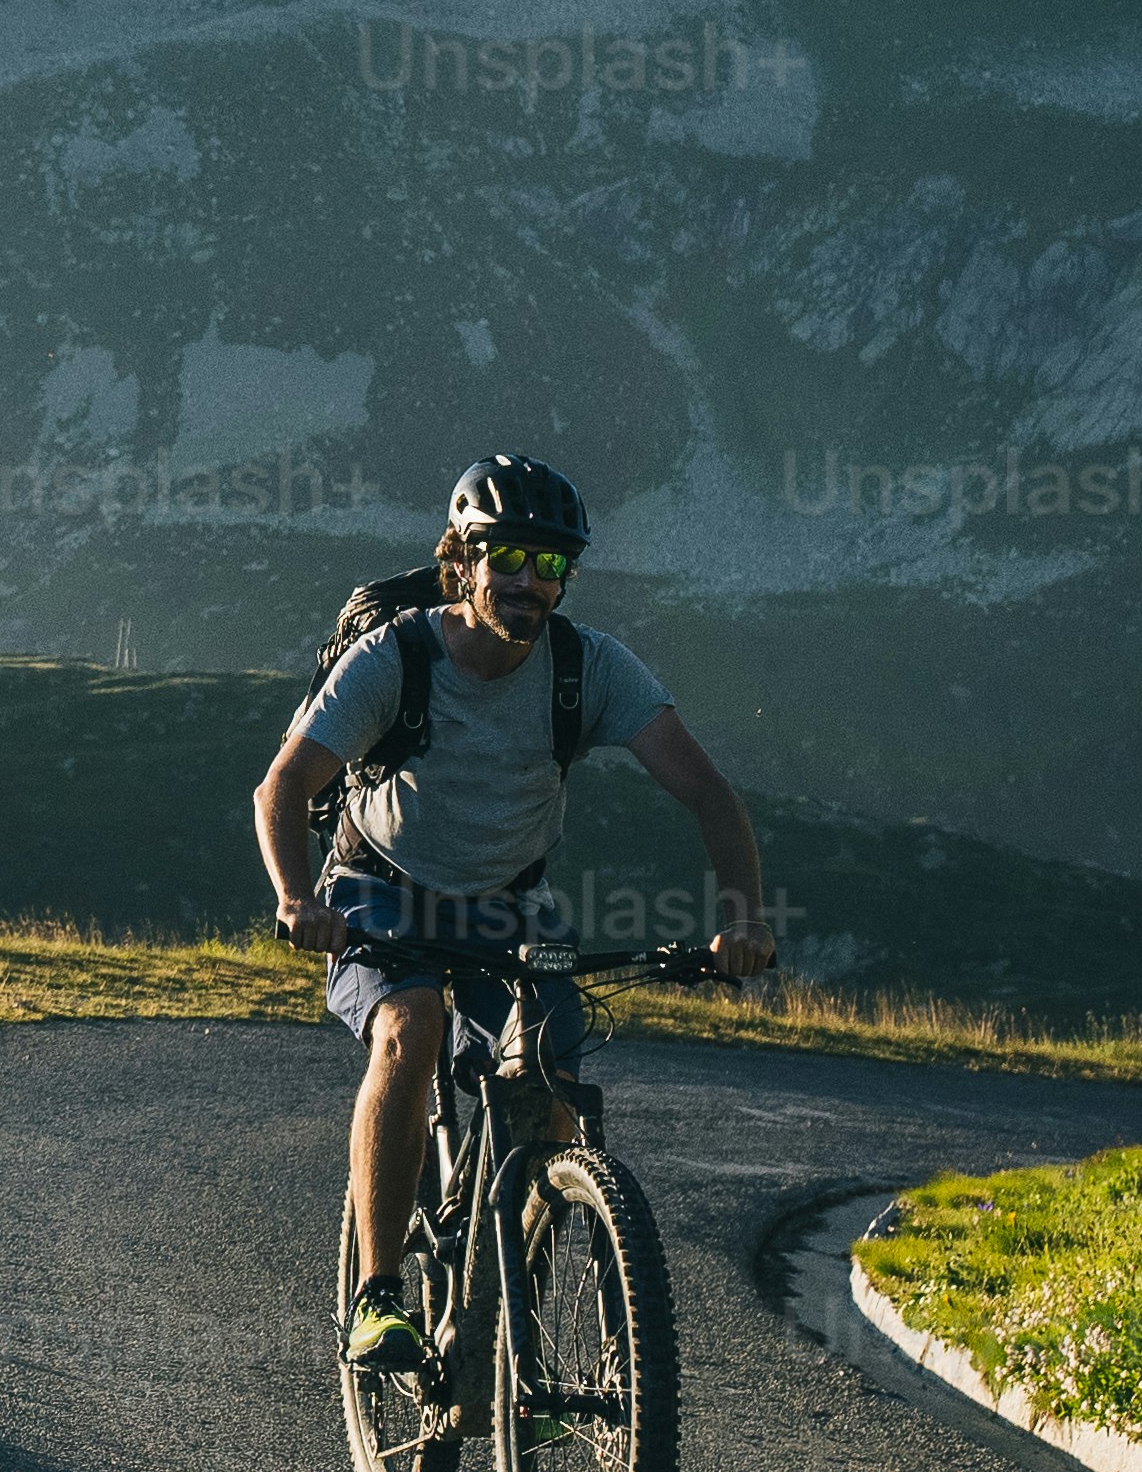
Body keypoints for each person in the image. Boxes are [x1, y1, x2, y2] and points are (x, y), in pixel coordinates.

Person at [251, 454, 776, 1379]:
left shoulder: (587, 666)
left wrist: (744, 919)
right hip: (379, 891)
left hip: (505, 907)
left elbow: (707, 791)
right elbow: (284, 786)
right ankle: (379, 1297)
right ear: (464, 559)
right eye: (511, 560)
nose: (532, 584)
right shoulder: (399, 656)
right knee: (407, 1030)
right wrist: (297, 899)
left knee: (551, 1080)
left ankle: (505, 1299)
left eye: (552, 566)